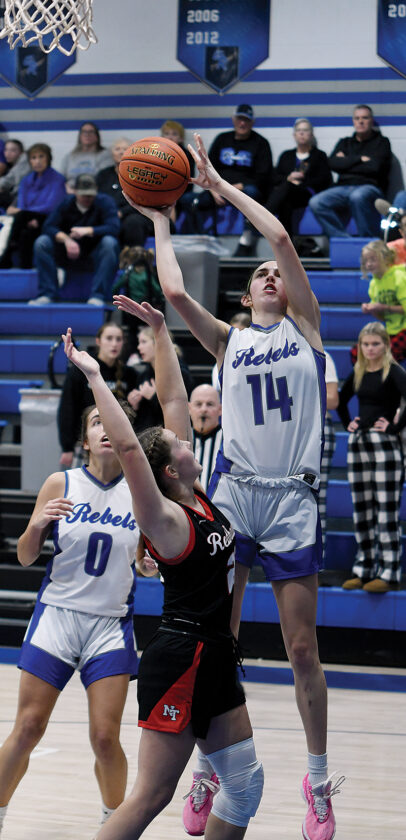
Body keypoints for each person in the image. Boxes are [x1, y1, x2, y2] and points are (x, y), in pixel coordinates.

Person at [125, 133, 344, 840]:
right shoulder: (230, 342)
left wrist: (220, 188)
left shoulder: (308, 330)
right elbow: (174, 291)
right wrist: (162, 222)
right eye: (260, 277)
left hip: (293, 499)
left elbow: (278, 235)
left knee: (302, 648)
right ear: (245, 296)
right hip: (236, 494)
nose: (272, 275)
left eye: (278, 274)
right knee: (218, 637)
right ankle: (209, 767)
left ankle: (317, 781)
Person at [62, 294, 264, 840]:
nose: (185, 434)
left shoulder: (194, 493)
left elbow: (173, 395)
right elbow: (132, 450)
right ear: (171, 468)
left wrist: (159, 330)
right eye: (178, 441)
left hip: (216, 653)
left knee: (244, 784)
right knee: (151, 796)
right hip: (181, 657)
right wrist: (95, 377)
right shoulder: (166, 518)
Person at [0, 399, 143, 839]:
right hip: (58, 617)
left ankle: (112, 825)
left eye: (114, 422)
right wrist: (36, 525)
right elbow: (25, 557)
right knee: (28, 727)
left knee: (105, 738)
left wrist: (150, 562)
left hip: (110, 624)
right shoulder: (60, 483)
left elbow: (146, 558)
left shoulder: (142, 491)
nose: (106, 429)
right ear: (85, 439)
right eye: (97, 422)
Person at [338, 322, 406, 593]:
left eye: (375, 344)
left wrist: (394, 427)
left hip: (385, 444)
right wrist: (348, 422)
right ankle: (363, 567)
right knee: (362, 508)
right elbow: (341, 400)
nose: (370, 349)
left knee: (386, 510)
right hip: (359, 442)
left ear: (386, 345)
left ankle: (389, 571)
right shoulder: (359, 370)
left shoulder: (394, 371)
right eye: (365, 344)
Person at [191, 105, 273, 256]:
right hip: (218, 189)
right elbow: (207, 167)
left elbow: (263, 176)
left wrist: (233, 188)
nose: (242, 123)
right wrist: (213, 189)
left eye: (246, 120)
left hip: (245, 190)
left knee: (252, 192)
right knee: (191, 201)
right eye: (240, 119)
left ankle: (246, 241)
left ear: (252, 122)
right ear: (233, 119)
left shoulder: (261, 143)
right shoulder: (222, 139)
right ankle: (205, 242)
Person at [57, 322, 140, 468]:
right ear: (98, 341)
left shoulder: (129, 374)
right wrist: (67, 447)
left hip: (119, 443)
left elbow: (132, 415)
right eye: (109, 338)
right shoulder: (82, 369)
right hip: (86, 443)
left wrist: (136, 405)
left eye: (118, 339)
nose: (114, 344)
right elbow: (67, 409)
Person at [30, 173, 120, 306]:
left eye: (90, 195)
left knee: (110, 243)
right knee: (42, 242)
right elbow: (48, 226)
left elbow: (114, 227)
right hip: (66, 252)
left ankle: (98, 295)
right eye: (84, 195)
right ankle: (47, 293)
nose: (87, 198)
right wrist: (66, 239)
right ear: (75, 192)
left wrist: (88, 230)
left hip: (94, 251)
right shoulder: (66, 202)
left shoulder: (105, 202)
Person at [309, 105, 391, 239]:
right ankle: (344, 240)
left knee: (357, 196)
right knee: (316, 202)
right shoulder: (345, 142)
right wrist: (360, 159)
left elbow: (375, 167)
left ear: (371, 120)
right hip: (343, 188)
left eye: (364, 118)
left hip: (369, 188)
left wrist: (346, 161)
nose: (360, 121)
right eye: (357, 118)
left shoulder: (382, 142)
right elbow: (333, 163)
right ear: (353, 121)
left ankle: (367, 242)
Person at [0, 143, 66, 268]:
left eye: (41, 157)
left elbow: (52, 206)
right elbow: (22, 204)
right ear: (29, 161)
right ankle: (25, 267)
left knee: (21, 218)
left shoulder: (58, 179)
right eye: (33, 158)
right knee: (26, 233)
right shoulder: (26, 180)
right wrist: (29, 216)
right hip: (26, 217)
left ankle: (7, 254)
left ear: (48, 158)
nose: (37, 161)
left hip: (49, 218)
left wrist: (31, 215)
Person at [266, 118, 332, 236]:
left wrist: (301, 182)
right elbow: (275, 177)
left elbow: (325, 180)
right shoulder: (286, 155)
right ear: (294, 135)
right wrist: (288, 178)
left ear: (311, 134)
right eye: (299, 130)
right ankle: (289, 242)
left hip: (307, 193)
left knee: (287, 188)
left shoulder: (319, 155)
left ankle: (265, 215)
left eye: (305, 130)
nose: (302, 133)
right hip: (288, 194)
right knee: (285, 202)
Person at [129, 323, 194, 433]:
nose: (139, 347)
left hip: (171, 434)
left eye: (143, 342)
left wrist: (153, 397)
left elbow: (182, 411)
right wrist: (134, 406)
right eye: (139, 342)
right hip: (147, 435)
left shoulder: (179, 373)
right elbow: (143, 417)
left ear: (157, 343)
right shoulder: (144, 375)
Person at [97, 137, 158, 247]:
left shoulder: (140, 174)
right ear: (112, 153)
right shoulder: (103, 175)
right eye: (117, 149)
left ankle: (133, 255)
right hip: (109, 215)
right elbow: (98, 197)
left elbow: (142, 200)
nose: (121, 152)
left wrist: (121, 212)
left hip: (134, 214)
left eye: (125, 149)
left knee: (132, 222)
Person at [353, 239, 406, 363]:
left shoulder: (399, 276)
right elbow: (383, 317)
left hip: (404, 330)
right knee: (357, 353)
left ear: (385, 259)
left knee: (384, 354)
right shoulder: (373, 284)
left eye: (373, 259)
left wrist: (384, 307)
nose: (369, 264)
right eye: (366, 261)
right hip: (392, 331)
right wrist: (372, 310)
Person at [318, 352, 339, 561]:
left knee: (317, 499)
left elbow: (333, 400)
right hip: (288, 429)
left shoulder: (323, 355)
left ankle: (315, 561)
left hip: (318, 427)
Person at [60, 121, 113, 192]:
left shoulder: (105, 155)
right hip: (71, 192)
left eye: (91, 132)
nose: (87, 135)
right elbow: (61, 179)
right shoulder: (70, 156)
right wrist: (69, 190)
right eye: (84, 132)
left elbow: (106, 179)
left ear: (97, 136)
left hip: (95, 193)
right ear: (80, 136)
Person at [188, 383, 222, 492]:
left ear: (220, 409)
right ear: (189, 408)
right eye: (198, 404)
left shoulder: (229, 441)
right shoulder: (179, 440)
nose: (204, 409)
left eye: (210, 404)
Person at [0, 139, 29, 211]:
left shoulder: (24, 163)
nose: (8, 153)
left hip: (22, 199)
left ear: (21, 152)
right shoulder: (13, 165)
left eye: (13, 150)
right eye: (6, 150)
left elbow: (8, 182)